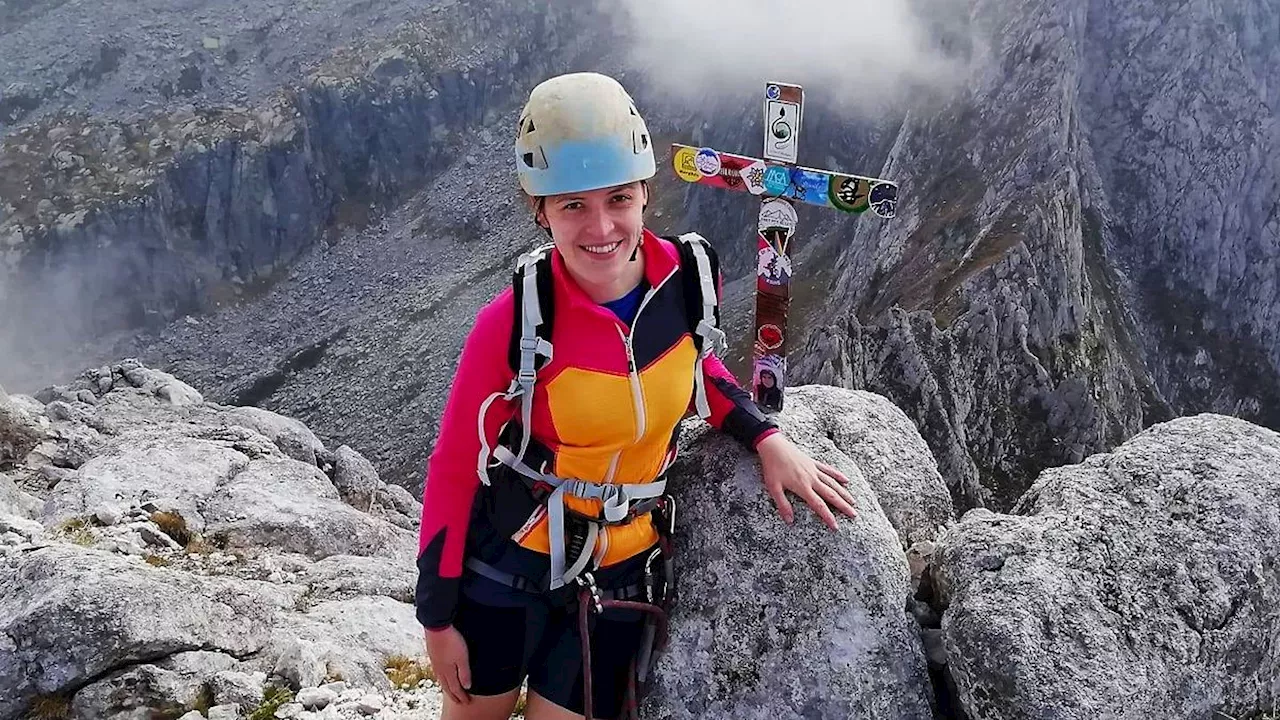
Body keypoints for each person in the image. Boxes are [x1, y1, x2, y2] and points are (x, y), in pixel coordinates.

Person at [415, 71, 859, 720]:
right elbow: (454, 467)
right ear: (540, 209)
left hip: (620, 575)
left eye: (618, 198)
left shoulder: (683, 285)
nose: (600, 227)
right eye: (572, 205)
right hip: (510, 567)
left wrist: (766, 437)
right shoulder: (511, 323)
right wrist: (436, 618)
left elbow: (699, 373)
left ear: (646, 193)